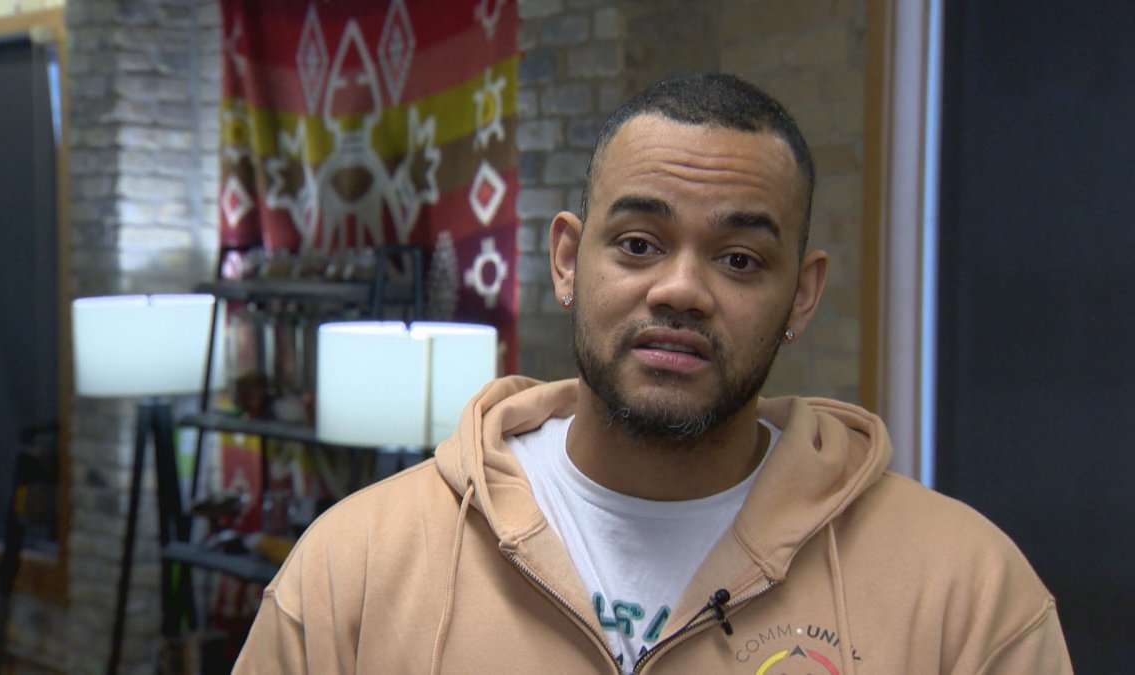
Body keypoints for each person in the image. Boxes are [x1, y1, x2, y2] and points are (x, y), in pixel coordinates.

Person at [233, 73, 1072, 674]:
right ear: (568, 260)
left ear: (802, 296)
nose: (680, 290)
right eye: (637, 243)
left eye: (740, 259)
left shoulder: (964, 591)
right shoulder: (359, 564)